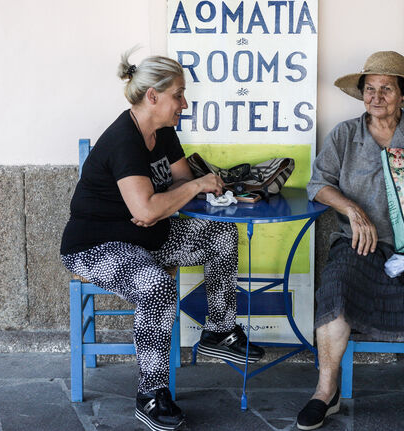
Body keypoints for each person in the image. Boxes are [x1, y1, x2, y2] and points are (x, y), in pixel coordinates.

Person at [60, 47, 264, 431]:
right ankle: (152, 394)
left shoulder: (164, 132)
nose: (184, 103)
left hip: (149, 237)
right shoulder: (124, 140)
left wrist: (213, 189)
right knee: (156, 286)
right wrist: (186, 192)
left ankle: (219, 330)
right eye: (179, 95)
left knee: (221, 234)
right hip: (95, 246)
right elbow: (148, 209)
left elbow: (182, 182)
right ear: (152, 96)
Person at [297, 51, 404, 431]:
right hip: (360, 244)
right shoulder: (345, 135)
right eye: (369, 89)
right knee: (337, 289)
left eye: (386, 90)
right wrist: (352, 210)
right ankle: (326, 391)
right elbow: (318, 185)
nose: (376, 97)